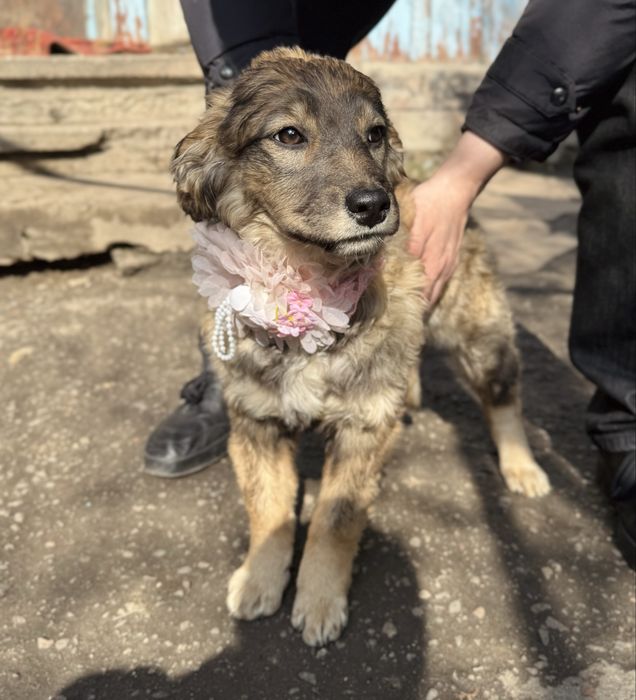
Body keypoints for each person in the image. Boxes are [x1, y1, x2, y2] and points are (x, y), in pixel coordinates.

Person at [143, 0, 635, 568]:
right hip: (240, 47)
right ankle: (267, 528)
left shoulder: (385, 204)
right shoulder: (220, 186)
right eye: (290, 136)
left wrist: (461, 178)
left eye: (373, 137)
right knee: (254, 410)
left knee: (483, 345)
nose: (368, 190)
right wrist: (251, 91)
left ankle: (525, 428)